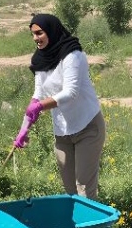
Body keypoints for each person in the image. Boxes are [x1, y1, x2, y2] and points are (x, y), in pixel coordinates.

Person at [15, 14, 106, 199]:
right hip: (63, 132)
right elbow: (38, 94)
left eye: (39, 33)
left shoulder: (73, 55)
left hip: (87, 127)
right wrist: (24, 129)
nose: (36, 38)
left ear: (51, 31)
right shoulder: (41, 59)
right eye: (32, 34)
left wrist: (39, 106)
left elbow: (70, 92)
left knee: (85, 189)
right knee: (70, 190)